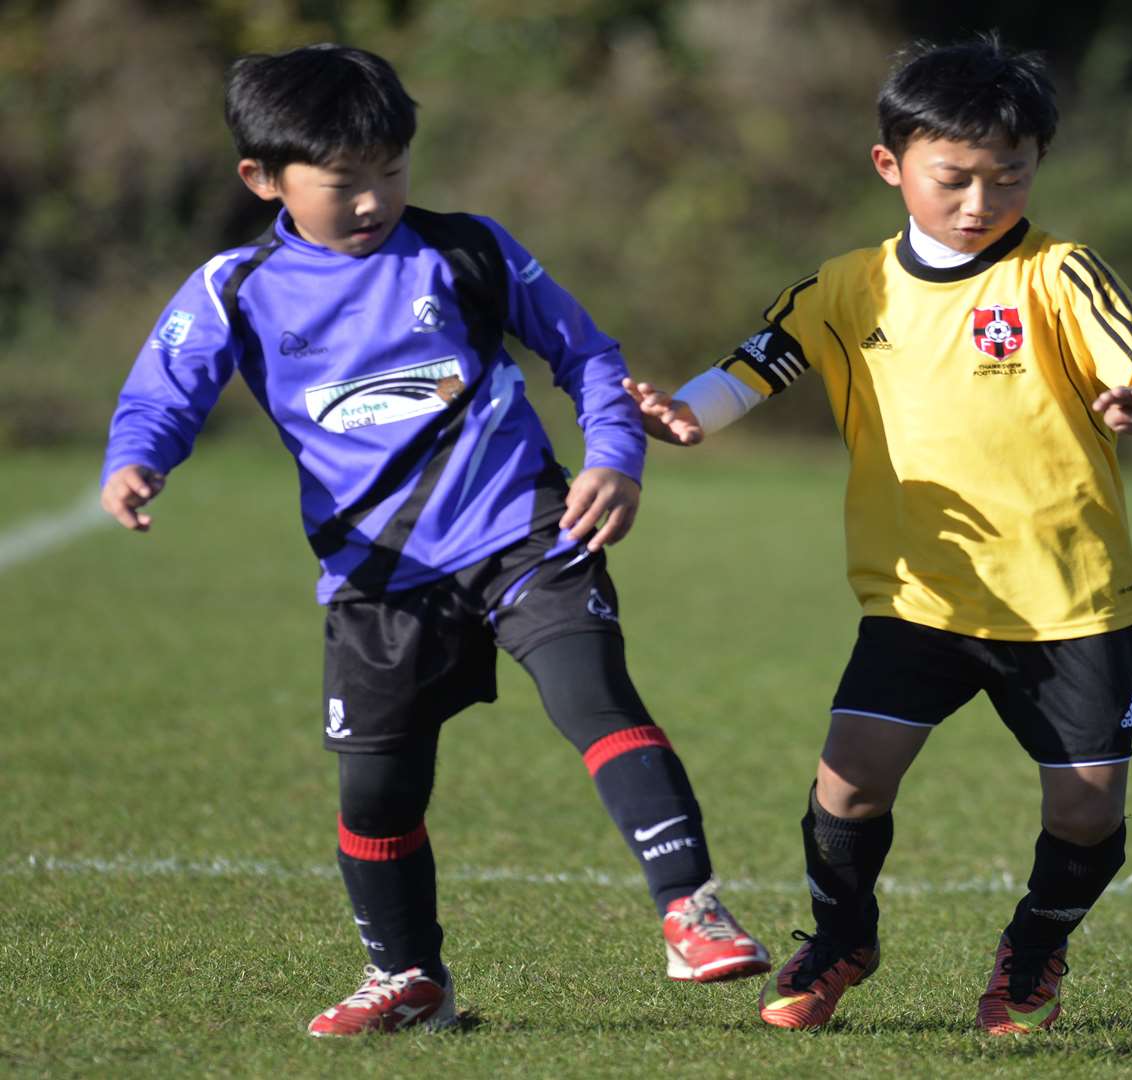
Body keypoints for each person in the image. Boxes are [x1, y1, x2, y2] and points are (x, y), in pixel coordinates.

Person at [99, 43, 769, 1037]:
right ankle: (410, 980)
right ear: (262, 178)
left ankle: (691, 907)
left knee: (593, 695)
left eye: (391, 172)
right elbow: (163, 392)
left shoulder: (468, 249)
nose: (373, 200)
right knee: (376, 788)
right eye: (343, 184)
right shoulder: (235, 287)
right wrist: (138, 457)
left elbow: (585, 354)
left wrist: (614, 455)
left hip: (525, 524)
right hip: (379, 575)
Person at [622, 34, 1132, 1035]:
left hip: (1071, 598)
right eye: (955, 179)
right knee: (848, 784)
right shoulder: (849, 286)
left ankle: (1034, 951)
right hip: (918, 595)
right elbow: (755, 367)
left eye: (1008, 176)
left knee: (1087, 812)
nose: (981, 202)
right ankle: (842, 936)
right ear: (891, 166)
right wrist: (688, 414)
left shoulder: (1057, 274)